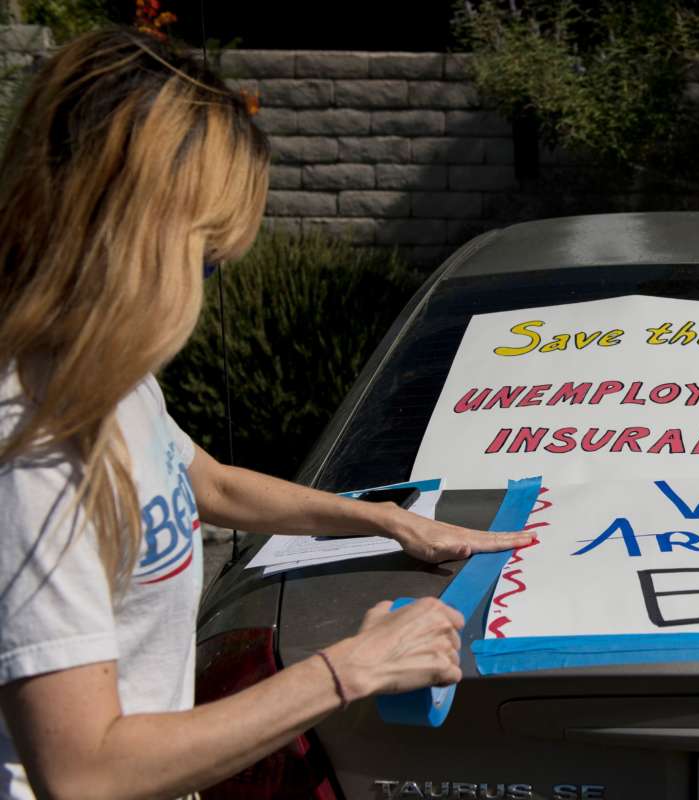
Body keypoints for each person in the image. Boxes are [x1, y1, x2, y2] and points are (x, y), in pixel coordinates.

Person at [0, 28, 532, 800]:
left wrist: (388, 521)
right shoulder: (34, 453)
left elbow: (211, 484)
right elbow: (85, 771)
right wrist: (353, 667)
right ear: (140, 239)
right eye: (207, 258)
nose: (205, 291)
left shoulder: (108, 385)